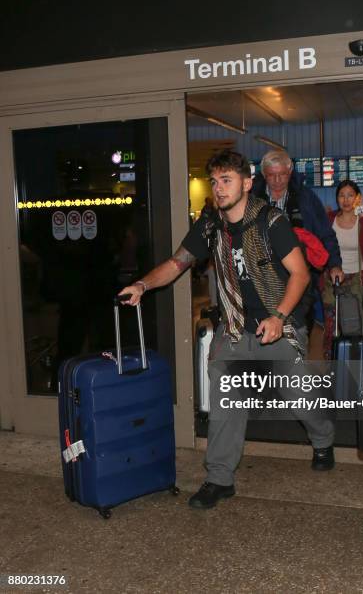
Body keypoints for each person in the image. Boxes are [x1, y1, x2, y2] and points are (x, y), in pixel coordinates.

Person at [119, 150, 335, 509]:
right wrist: (143, 285)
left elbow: (300, 274)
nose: (219, 189)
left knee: (297, 397)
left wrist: (279, 317)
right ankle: (219, 478)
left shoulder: (272, 221)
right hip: (235, 327)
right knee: (227, 403)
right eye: (215, 181)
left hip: (279, 322)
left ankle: (323, 438)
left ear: (248, 183)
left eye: (227, 181)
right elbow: (177, 262)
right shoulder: (210, 224)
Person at [252, 150, 343, 282]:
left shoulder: (306, 198)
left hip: (302, 272)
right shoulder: (252, 200)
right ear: (264, 174)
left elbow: (325, 233)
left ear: (290, 173)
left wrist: (334, 265)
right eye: (272, 175)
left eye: (282, 174)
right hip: (263, 276)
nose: (277, 180)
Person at [322, 180, 363, 359]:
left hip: (357, 279)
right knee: (332, 322)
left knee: (356, 321)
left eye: (350, 195)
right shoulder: (330, 219)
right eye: (341, 195)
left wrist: (361, 210)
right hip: (332, 278)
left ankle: (355, 358)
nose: (346, 200)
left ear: (357, 198)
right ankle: (332, 358)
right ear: (337, 198)